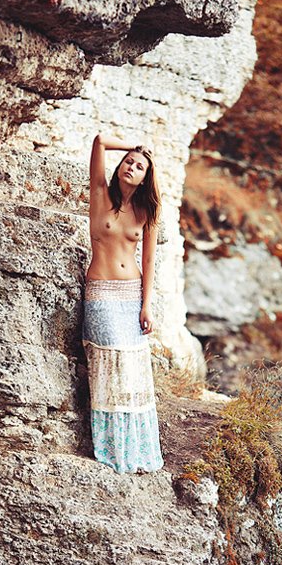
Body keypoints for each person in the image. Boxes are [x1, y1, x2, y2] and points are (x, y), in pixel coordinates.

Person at [82, 132, 164, 474]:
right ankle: (112, 450)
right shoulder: (100, 193)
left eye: (140, 166)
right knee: (110, 365)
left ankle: (137, 453)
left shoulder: (146, 211)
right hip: (101, 293)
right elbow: (100, 141)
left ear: (146, 178)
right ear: (119, 167)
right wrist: (138, 146)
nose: (132, 167)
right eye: (129, 162)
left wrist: (146, 305)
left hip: (131, 295)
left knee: (132, 371)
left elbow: (149, 261)